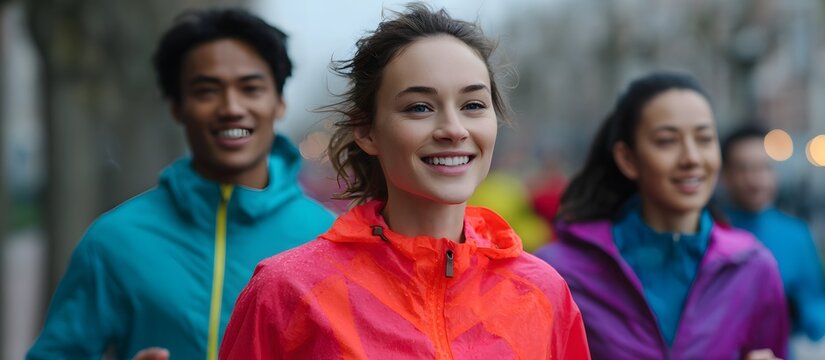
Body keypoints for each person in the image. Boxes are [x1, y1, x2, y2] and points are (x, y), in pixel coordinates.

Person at [219, 4, 591, 359]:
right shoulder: (287, 290)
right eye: (419, 108)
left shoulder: (543, 292)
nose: (453, 129)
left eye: (473, 105)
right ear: (366, 132)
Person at [27, 8, 335, 360]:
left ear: (278, 103)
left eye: (251, 88)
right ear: (177, 107)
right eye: (207, 91)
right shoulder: (115, 240)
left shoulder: (329, 239)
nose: (232, 107)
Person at [536, 72, 789, 359]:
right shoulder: (560, 275)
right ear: (628, 159)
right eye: (667, 141)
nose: (692, 157)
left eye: (705, 139)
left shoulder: (753, 268)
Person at [721, 125, 825, 343]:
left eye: (765, 167)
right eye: (743, 168)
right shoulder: (709, 229)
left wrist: (795, 310)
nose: (755, 179)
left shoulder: (796, 235)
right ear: (724, 174)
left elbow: (820, 318)